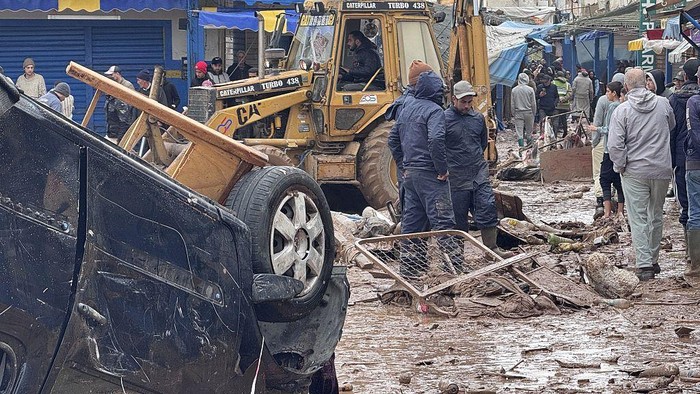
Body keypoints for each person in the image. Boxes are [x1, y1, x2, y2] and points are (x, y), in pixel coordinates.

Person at [607, 68, 675, 281]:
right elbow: (671, 126)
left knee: (638, 218)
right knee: (656, 214)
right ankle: (653, 260)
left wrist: (620, 166)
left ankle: (644, 264)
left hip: (634, 171)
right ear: (646, 82)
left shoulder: (622, 111)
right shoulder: (663, 104)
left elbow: (615, 145)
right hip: (662, 169)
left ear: (625, 87)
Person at [388, 70, 454, 277]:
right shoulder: (435, 111)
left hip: (410, 176)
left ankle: (409, 271)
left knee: (412, 225)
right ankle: (454, 271)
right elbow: (435, 140)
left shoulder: (406, 108)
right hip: (430, 175)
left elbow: (392, 140)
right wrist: (442, 169)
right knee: (444, 223)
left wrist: (403, 164)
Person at [446, 81, 512, 258]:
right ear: (454, 99)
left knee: (487, 207)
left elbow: (482, 143)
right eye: (463, 102)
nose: (467, 106)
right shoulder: (444, 120)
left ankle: (491, 249)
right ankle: (456, 255)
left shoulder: (477, 119)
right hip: (456, 176)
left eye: (469, 102)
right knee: (458, 216)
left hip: (478, 173)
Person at [669, 59, 700, 249]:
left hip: (686, 159)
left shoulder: (675, 99)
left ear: (685, 76)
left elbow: (671, 132)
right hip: (690, 156)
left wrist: (671, 160)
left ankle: (691, 254)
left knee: (688, 206)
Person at [589, 81, 624, 219]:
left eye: (608, 91)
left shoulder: (612, 106)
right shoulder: (624, 106)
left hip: (609, 149)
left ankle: (607, 211)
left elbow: (608, 128)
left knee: (604, 178)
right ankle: (621, 211)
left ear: (614, 93)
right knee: (619, 180)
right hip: (621, 149)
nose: (606, 94)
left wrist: (595, 130)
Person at [683, 74, 700, 281]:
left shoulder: (693, 102)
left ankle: (696, 264)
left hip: (695, 163)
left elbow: (694, 133)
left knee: (695, 211)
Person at [589, 78, 611, 220]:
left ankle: (600, 201)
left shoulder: (603, 100)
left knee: (598, 173)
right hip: (619, 143)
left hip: (603, 139)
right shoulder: (626, 101)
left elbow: (597, 121)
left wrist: (594, 142)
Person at [104, 66, 136, 143]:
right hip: (112, 128)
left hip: (122, 126)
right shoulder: (112, 85)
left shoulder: (127, 85)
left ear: (117, 74)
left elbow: (127, 111)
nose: (110, 77)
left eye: (112, 75)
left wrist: (120, 136)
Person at [511, 73, 537, 147]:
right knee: (529, 131)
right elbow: (533, 103)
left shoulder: (514, 90)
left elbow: (512, 104)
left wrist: (513, 113)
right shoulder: (530, 89)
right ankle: (529, 147)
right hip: (529, 112)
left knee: (519, 132)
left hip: (518, 112)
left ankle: (521, 148)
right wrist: (534, 112)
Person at [552, 71, 572, 137]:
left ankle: (555, 135)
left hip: (556, 105)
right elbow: (570, 94)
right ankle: (565, 133)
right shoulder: (567, 84)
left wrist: (558, 99)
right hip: (565, 105)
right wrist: (563, 99)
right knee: (564, 120)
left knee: (556, 120)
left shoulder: (553, 82)